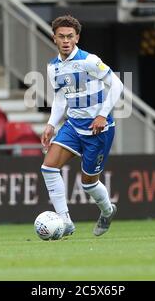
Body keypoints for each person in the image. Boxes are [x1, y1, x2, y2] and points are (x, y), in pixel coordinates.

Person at [40, 15, 123, 237]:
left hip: (99, 130)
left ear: (77, 37)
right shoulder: (53, 67)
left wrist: (103, 115)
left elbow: (117, 84)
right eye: (61, 36)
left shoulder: (89, 60)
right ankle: (65, 222)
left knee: (88, 183)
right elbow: (60, 98)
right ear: (54, 38)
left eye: (70, 36)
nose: (66, 40)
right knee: (48, 167)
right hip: (74, 125)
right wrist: (51, 124)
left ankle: (107, 211)